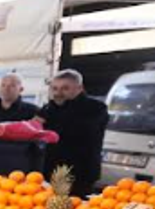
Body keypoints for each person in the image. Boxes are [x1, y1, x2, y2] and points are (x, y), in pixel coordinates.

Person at [37, 69, 108, 197]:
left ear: (79, 88)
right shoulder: (49, 108)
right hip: (51, 171)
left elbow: (78, 131)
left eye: (65, 88)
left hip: (79, 174)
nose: (58, 93)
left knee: (75, 207)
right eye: (54, 88)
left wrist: (46, 124)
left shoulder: (96, 108)